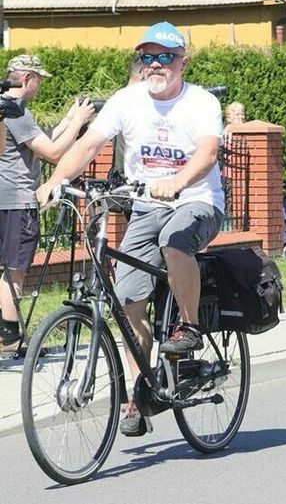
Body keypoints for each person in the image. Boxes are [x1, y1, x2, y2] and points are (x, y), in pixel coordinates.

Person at [37, 22, 226, 436]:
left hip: (197, 202)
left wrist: (178, 181)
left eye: (166, 57)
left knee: (174, 242)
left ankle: (190, 327)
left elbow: (209, 152)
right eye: (148, 57)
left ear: (183, 62)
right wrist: (54, 181)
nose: (156, 65)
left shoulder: (201, 102)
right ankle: (138, 395)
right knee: (128, 304)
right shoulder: (127, 100)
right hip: (145, 206)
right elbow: (88, 146)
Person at [1, 55, 95, 351]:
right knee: (15, 270)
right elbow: (53, 153)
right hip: (16, 200)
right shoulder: (16, 113)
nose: (40, 85)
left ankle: (6, 332)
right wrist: (79, 123)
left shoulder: (9, 109)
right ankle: (10, 337)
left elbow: (42, 140)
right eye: (39, 79)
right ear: (27, 78)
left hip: (5, 200)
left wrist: (69, 119)